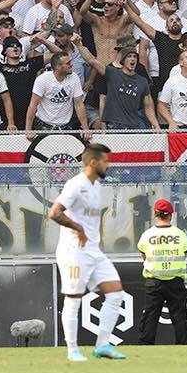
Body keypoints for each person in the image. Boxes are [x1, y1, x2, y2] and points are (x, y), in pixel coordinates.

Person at [49, 142, 127, 361]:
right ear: (93, 162)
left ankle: (102, 345)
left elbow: (90, 218)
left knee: (115, 293)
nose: (108, 165)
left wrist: (96, 239)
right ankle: (72, 350)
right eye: (105, 161)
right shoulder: (76, 185)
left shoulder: (96, 185)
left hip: (93, 250)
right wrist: (78, 228)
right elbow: (54, 213)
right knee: (74, 299)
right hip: (74, 250)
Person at [137, 198, 187, 346]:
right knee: (179, 317)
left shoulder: (147, 235)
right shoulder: (180, 235)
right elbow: (184, 254)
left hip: (154, 282)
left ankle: (145, 348)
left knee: (150, 317)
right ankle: (183, 347)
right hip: (175, 282)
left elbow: (143, 255)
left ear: (155, 214)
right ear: (171, 215)